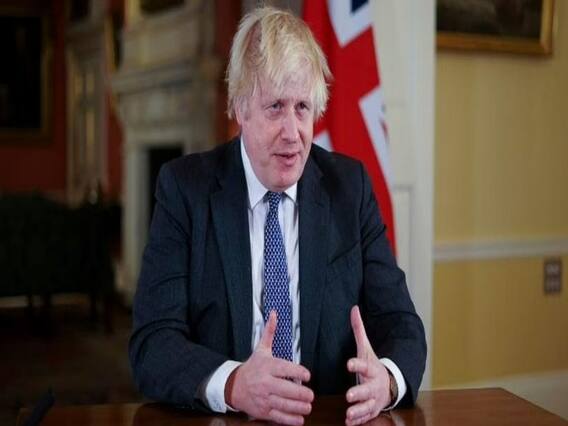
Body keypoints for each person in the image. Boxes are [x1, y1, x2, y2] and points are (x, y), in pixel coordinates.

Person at [129, 6, 426, 426]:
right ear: (240, 108)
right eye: (275, 107)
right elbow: (152, 344)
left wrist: (388, 381)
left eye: (302, 107)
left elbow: (402, 325)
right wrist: (234, 384)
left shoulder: (349, 188)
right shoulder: (185, 190)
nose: (292, 133)